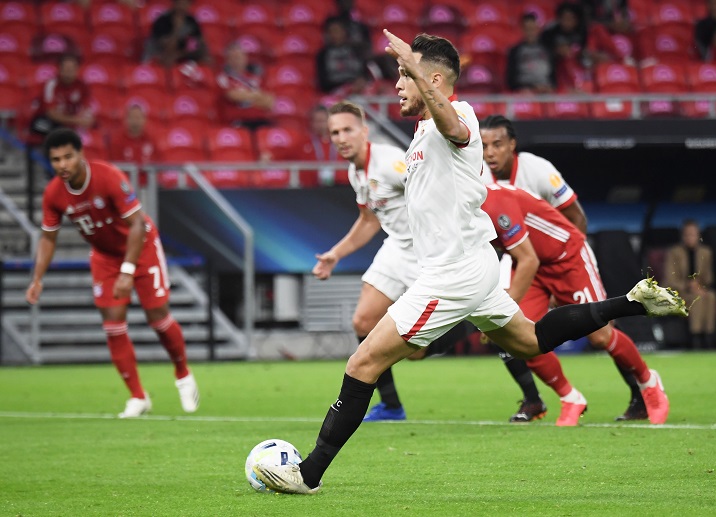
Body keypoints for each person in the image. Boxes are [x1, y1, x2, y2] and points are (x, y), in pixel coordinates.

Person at [252, 31, 687, 494]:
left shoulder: (457, 114)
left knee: (362, 364)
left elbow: (454, 126)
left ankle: (309, 473)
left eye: (405, 75)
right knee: (530, 341)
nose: (398, 84)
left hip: (452, 273)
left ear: (433, 78)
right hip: (468, 266)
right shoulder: (419, 133)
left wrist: (416, 68)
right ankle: (633, 302)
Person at [480, 114, 653, 422]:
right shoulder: (481, 179)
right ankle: (548, 399)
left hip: (564, 258)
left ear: (512, 145)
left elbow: (576, 218)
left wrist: (567, 269)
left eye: (497, 144)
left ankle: (643, 391)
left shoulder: (538, 171)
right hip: (524, 260)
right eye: (483, 146)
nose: (490, 152)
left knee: (600, 335)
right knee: (513, 331)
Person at [26, 128, 200, 418]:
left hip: (141, 247)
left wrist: (128, 271)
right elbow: (48, 237)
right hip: (105, 257)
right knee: (112, 324)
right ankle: (138, 397)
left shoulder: (108, 177)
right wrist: (37, 278)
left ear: (81, 154)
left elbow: (136, 225)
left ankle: (183, 374)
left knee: (157, 315)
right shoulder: (54, 194)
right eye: (56, 160)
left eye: (68, 156)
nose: (63, 164)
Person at [312, 100, 412, 421]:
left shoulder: (391, 162)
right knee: (364, 322)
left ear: (364, 131)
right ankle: (392, 406)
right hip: (397, 247)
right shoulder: (356, 170)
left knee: (421, 350)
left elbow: (429, 193)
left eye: (347, 130)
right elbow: (369, 220)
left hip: (429, 250)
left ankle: (532, 397)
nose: (341, 138)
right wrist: (335, 255)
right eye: (334, 132)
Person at [663, 219, 716, 349]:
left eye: (693, 234)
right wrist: (689, 285)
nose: (690, 237)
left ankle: (708, 336)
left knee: (711, 296)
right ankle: (696, 337)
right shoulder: (674, 252)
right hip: (679, 291)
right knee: (696, 298)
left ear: (698, 235)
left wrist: (700, 287)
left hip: (700, 290)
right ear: (682, 236)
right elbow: (670, 279)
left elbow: (709, 278)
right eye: (687, 234)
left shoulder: (706, 252)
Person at [30, 54, 95, 141]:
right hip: (45, 119)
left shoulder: (82, 86)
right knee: (57, 133)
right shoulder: (51, 85)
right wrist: (77, 121)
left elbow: (86, 107)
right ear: (59, 69)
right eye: (66, 69)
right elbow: (51, 113)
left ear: (77, 70)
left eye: (71, 69)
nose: (68, 73)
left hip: (68, 121)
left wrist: (85, 119)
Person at [215, 42, 274, 131]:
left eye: (239, 56)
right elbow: (233, 95)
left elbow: (269, 102)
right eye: (234, 57)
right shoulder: (224, 77)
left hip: (261, 121)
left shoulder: (254, 78)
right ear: (227, 60)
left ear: (245, 58)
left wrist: (246, 96)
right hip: (238, 122)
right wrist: (257, 96)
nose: (237, 60)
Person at [144, 0, 208, 66]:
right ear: (174, 4)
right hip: (159, 54)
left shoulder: (191, 21)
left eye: (185, 4)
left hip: (179, 54)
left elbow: (200, 43)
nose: (182, 7)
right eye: (179, 3)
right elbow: (168, 47)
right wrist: (177, 28)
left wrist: (180, 55)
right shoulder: (162, 21)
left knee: (206, 59)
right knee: (169, 59)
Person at [316, 17, 368, 94]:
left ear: (345, 32)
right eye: (330, 31)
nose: (333, 34)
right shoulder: (322, 55)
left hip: (359, 91)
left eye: (336, 31)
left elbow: (365, 73)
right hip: (335, 93)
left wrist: (360, 82)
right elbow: (323, 83)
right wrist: (347, 86)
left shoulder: (357, 51)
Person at [506, 13, 555, 94]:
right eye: (527, 29)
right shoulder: (515, 51)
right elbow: (510, 80)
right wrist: (532, 87)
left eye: (532, 28)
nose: (530, 32)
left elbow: (553, 77)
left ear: (538, 29)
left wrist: (550, 86)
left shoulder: (548, 49)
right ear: (522, 30)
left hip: (546, 91)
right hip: (525, 92)